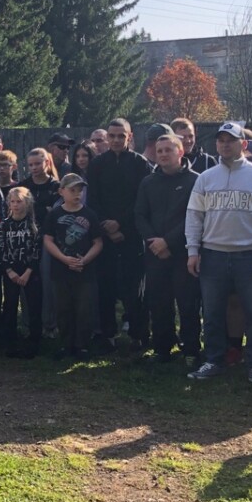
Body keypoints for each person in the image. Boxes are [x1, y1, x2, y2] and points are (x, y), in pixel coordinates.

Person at [186, 121, 252, 391]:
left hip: (250, 255)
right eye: (221, 140)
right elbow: (194, 216)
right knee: (212, 313)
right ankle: (214, 360)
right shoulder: (206, 178)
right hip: (213, 254)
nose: (225, 145)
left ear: (244, 144)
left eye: (231, 140)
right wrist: (193, 250)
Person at [86, 118, 153, 350]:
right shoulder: (97, 164)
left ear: (129, 137)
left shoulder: (140, 164)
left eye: (120, 136)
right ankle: (108, 335)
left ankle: (138, 334)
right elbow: (93, 200)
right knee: (105, 287)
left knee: (134, 289)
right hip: (104, 236)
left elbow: (142, 201)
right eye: (112, 136)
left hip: (131, 235)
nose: (116, 140)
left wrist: (121, 225)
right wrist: (107, 226)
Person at [135, 134, 200, 363]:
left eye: (168, 150)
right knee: (159, 302)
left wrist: (168, 242)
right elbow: (140, 215)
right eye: (159, 150)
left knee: (187, 303)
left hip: (184, 252)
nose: (163, 154)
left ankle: (191, 349)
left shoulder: (196, 181)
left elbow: (195, 217)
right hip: (155, 253)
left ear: (180, 152)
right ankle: (162, 348)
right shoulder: (148, 182)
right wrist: (154, 241)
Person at [45, 173, 104, 359]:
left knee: (84, 308)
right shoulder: (54, 214)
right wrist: (64, 259)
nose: (77, 194)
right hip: (60, 269)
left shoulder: (89, 214)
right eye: (72, 190)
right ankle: (66, 344)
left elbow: (98, 242)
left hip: (85, 270)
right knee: (63, 308)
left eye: (80, 190)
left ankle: (82, 345)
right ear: (61, 191)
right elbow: (48, 240)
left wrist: (84, 260)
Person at [0, 186, 42, 357]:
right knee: (9, 305)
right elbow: (1, 249)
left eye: (19, 201)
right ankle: (10, 341)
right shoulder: (3, 225)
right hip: (11, 271)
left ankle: (34, 341)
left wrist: (28, 272)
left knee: (33, 306)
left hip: (30, 271)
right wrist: (9, 271)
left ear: (27, 203)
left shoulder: (33, 225)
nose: (15, 205)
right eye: (13, 202)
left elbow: (37, 250)